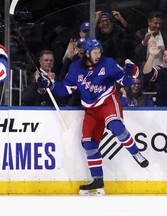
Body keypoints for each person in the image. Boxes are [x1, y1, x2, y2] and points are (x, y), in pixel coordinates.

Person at [37, 38, 149, 196]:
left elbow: (125, 81)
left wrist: (130, 72)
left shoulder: (107, 63)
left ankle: (136, 153)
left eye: (99, 51)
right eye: (95, 52)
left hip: (108, 102)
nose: (99, 54)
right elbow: (65, 90)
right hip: (90, 109)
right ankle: (97, 180)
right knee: (89, 144)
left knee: (116, 127)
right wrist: (51, 84)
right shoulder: (75, 68)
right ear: (86, 53)